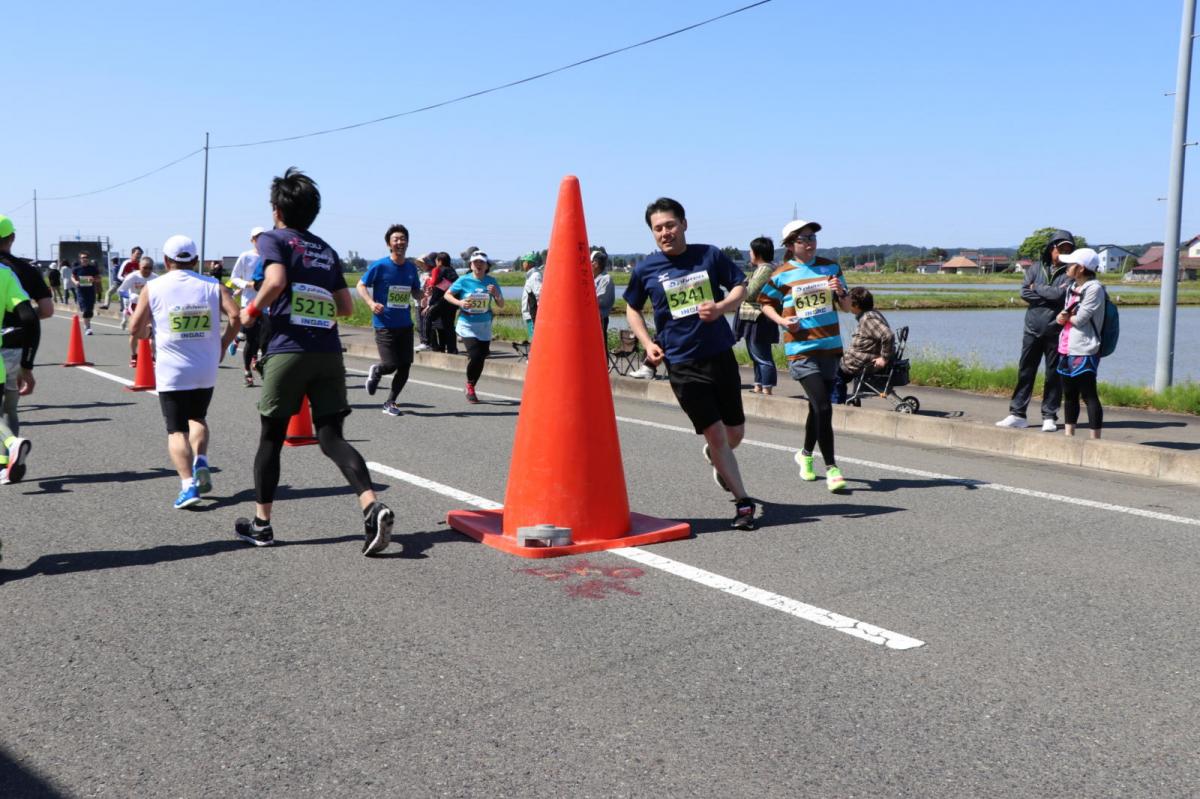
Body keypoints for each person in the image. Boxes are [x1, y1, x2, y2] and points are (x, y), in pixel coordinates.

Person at [235, 167, 394, 554]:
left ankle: (262, 526)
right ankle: (372, 506)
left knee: (271, 438)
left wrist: (251, 313)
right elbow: (343, 304)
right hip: (327, 352)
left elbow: (274, 282)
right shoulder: (326, 249)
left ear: (277, 210)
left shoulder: (274, 240)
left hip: (287, 350)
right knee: (331, 437)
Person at [624, 197, 758, 530]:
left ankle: (717, 459)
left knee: (734, 433)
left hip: (719, 354)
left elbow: (741, 286)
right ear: (652, 233)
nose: (665, 232)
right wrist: (647, 343)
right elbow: (631, 308)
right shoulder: (646, 269)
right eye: (658, 228)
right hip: (681, 363)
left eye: (670, 225)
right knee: (715, 433)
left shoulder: (709, 255)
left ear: (684, 224)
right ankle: (744, 503)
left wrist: (722, 306)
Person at [127, 235, 241, 509]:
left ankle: (188, 485)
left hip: (172, 368)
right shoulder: (213, 285)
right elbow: (237, 316)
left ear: (166, 261)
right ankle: (201, 460)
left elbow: (135, 328)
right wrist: (223, 345)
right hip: (206, 365)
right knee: (198, 417)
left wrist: (146, 332)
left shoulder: (153, 287)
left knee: (176, 429)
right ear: (196, 260)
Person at [759, 218, 853, 493]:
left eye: (812, 237)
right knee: (824, 407)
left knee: (817, 407)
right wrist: (782, 321)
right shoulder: (782, 274)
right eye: (803, 239)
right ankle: (833, 468)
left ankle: (805, 454)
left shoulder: (831, 267)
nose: (810, 243)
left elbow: (846, 307)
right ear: (790, 245)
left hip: (830, 346)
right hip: (801, 350)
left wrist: (841, 292)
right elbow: (765, 303)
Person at [997, 229, 1075, 431]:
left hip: (1056, 330)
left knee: (1053, 375)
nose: (1064, 252)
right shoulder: (1036, 268)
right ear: (1052, 248)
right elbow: (1024, 292)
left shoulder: (1071, 271)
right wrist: (1048, 294)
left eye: (1068, 249)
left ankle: (1049, 416)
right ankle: (1017, 414)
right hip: (1032, 328)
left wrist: (1037, 289)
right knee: (1025, 371)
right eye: (1061, 248)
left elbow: (1061, 295)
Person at [358, 224, 423, 416]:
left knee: (405, 366)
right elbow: (361, 285)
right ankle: (377, 371)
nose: (400, 242)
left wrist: (422, 295)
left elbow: (415, 291)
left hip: (405, 324)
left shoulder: (411, 268)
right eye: (396, 239)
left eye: (403, 239)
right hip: (384, 323)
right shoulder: (380, 265)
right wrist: (370, 303)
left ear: (407, 242)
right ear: (389, 244)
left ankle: (390, 402)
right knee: (391, 364)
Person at [0, 215, 51, 439]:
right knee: (9, 409)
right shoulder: (24, 269)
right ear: (12, 238)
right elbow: (47, 310)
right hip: (16, 344)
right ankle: (8, 463)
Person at [1053, 248, 1105, 439]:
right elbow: (1063, 317)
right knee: (1069, 395)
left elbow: (1080, 319)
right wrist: (1064, 317)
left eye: (1070, 264)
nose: (1066, 267)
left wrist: (1066, 317)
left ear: (1081, 268)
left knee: (1089, 395)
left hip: (1085, 348)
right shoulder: (1071, 287)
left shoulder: (1094, 288)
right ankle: (1069, 437)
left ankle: (1095, 441)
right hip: (1066, 347)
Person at [444, 250, 504, 403]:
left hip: (484, 324)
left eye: (481, 262)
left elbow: (501, 304)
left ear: (486, 266)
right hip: (467, 323)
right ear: (470, 265)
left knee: (481, 357)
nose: (478, 265)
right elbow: (447, 294)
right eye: (475, 262)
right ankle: (470, 386)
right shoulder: (464, 280)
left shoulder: (491, 282)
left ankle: (471, 384)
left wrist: (496, 294)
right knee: (475, 354)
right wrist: (460, 303)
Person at [733, 236, 779, 396]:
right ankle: (759, 385)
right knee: (755, 354)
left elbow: (749, 293)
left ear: (758, 253)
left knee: (761, 354)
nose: (749, 254)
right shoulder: (762, 269)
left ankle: (766, 387)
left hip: (759, 319)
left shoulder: (766, 270)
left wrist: (742, 287)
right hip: (753, 318)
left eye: (751, 251)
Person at [834, 287, 894, 403]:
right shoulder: (872, 314)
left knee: (835, 375)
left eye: (849, 302)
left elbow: (888, 335)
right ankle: (846, 399)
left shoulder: (868, 319)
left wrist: (884, 358)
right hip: (861, 360)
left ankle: (836, 405)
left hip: (859, 363)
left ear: (856, 305)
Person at [229, 226, 266, 386]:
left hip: (268, 303)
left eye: (264, 238)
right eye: (258, 238)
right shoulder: (246, 256)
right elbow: (234, 278)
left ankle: (263, 368)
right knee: (251, 341)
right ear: (252, 240)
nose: (261, 241)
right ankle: (247, 371)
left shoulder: (271, 256)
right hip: (249, 303)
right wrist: (248, 284)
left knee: (265, 341)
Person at [119, 257, 156, 367]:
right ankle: (134, 356)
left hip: (150, 307)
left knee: (152, 333)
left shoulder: (155, 278)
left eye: (150, 268)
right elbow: (121, 290)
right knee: (135, 332)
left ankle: (153, 357)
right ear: (139, 266)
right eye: (145, 268)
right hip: (135, 306)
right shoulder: (133, 276)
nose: (147, 270)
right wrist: (130, 295)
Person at [423, 251, 458, 354]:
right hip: (453, 302)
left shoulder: (439, 270)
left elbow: (437, 288)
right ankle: (452, 349)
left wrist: (430, 304)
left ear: (439, 261)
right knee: (449, 325)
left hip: (442, 301)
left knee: (428, 317)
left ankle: (427, 342)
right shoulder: (452, 271)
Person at [73, 251, 100, 334]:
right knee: (85, 310)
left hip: (91, 292)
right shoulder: (77, 269)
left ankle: (87, 323)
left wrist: (93, 280)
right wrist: (75, 282)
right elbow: (72, 277)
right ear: (80, 259)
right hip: (81, 292)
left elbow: (98, 278)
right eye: (82, 258)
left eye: (86, 257)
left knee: (90, 311)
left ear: (88, 259)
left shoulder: (93, 268)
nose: (84, 259)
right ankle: (87, 327)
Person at [414, 251, 436, 352]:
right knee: (420, 324)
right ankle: (425, 342)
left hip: (425, 302)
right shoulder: (421, 274)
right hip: (418, 301)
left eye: (424, 263)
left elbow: (427, 288)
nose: (422, 265)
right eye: (421, 263)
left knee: (424, 324)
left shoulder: (431, 274)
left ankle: (425, 343)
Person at [519, 252, 542, 340]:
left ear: (528, 263)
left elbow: (539, 295)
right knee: (533, 339)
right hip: (530, 315)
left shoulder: (535, 276)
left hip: (533, 315)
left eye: (523, 262)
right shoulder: (531, 275)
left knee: (535, 340)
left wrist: (539, 315)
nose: (522, 264)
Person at [592, 250, 615, 337]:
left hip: (600, 319)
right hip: (591, 319)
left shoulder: (606, 279)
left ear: (596, 264)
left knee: (600, 344)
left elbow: (599, 300)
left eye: (590, 262)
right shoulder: (593, 278)